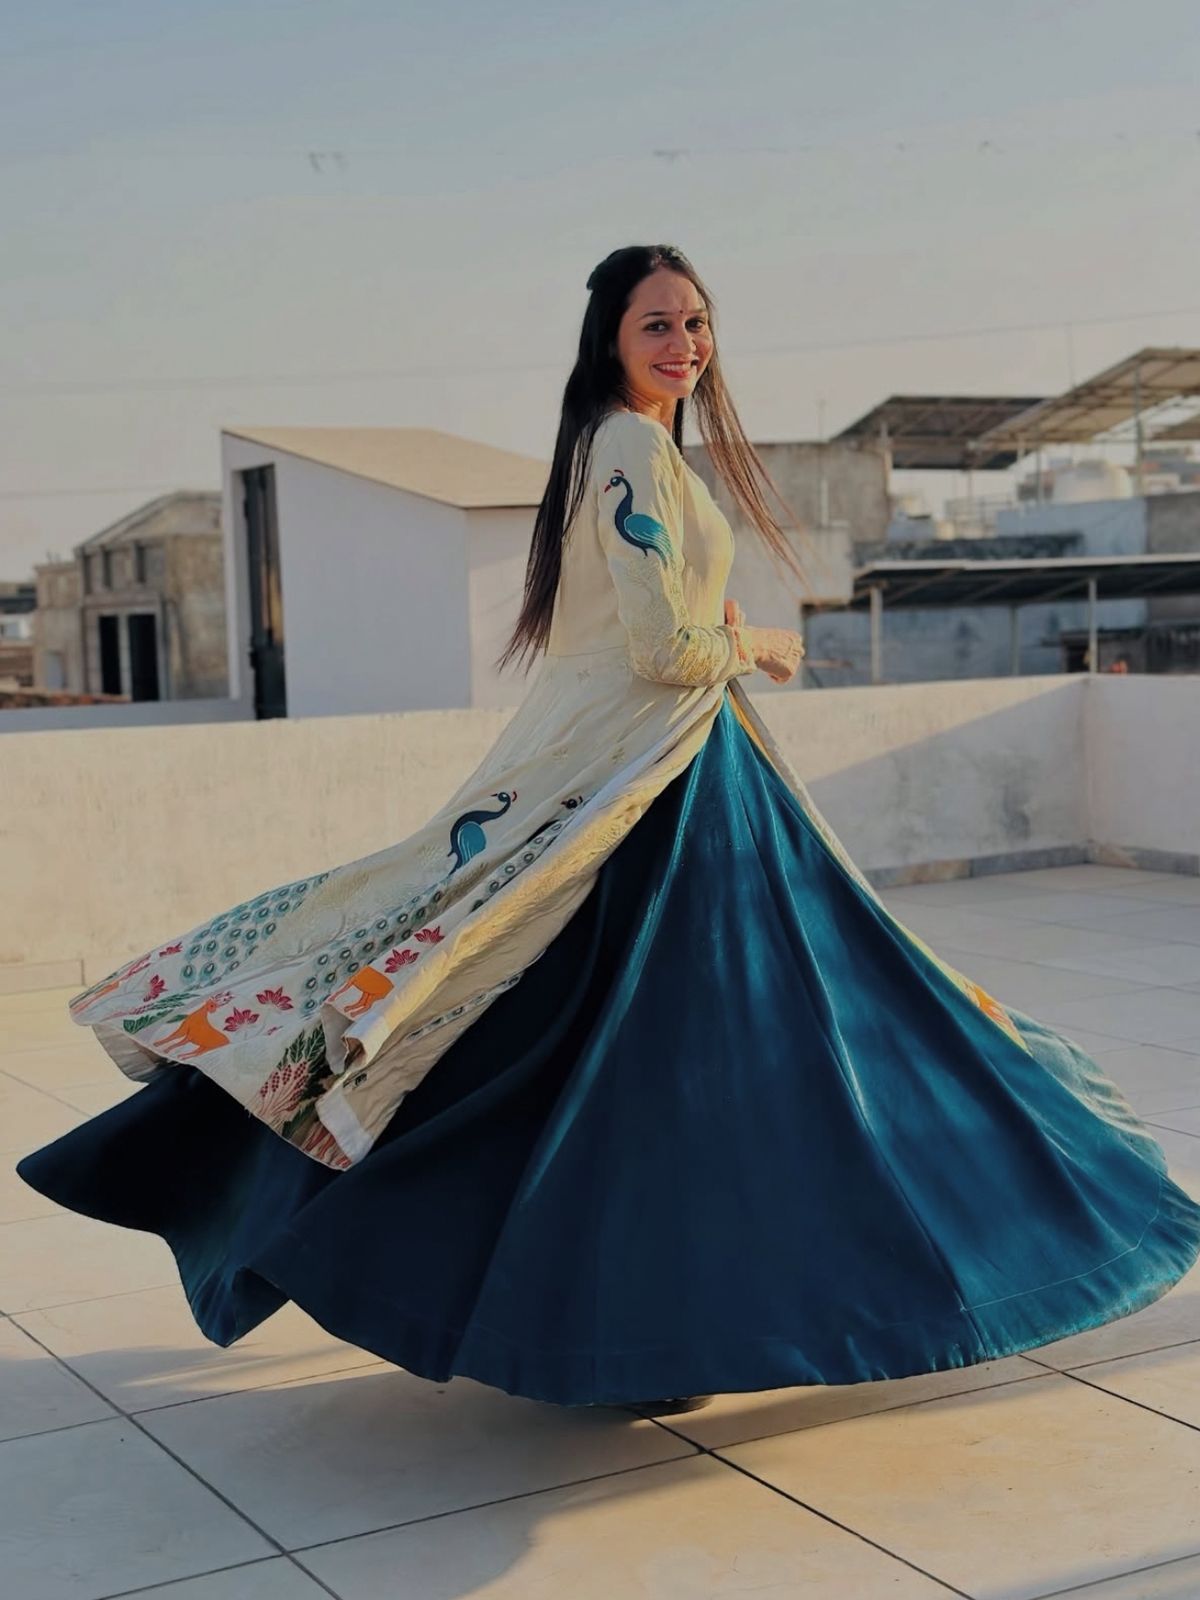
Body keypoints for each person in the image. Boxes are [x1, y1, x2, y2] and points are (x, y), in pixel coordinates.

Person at [17, 244, 1200, 1416]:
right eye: (658, 325)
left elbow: (649, 617)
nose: (686, 344)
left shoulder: (621, 448)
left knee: (610, 1038)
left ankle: (633, 1319)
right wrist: (761, 642)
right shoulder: (627, 445)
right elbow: (663, 650)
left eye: (697, 322)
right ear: (611, 341)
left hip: (653, 764)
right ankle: (679, 1311)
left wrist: (709, 612)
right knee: (731, 1039)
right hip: (650, 774)